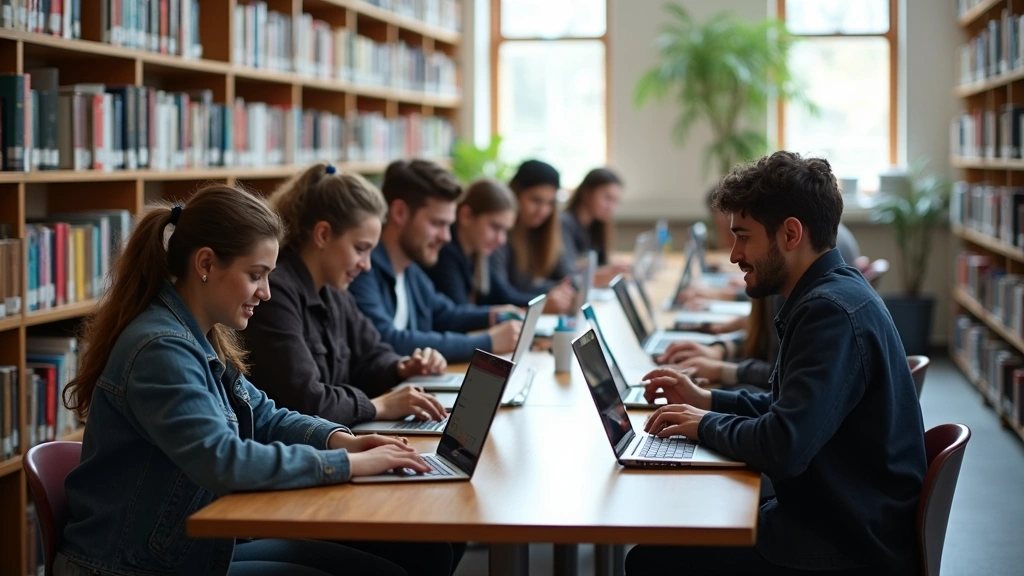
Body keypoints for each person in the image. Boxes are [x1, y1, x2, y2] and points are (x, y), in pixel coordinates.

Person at [55, 185, 443, 576]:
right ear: (206, 264)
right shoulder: (161, 349)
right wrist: (345, 464)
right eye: (255, 275)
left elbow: (265, 414)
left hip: (183, 551)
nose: (267, 292)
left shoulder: (200, 334)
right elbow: (224, 461)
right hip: (131, 566)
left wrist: (343, 440)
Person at [632, 151, 926, 575]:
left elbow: (782, 445)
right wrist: (708, 399)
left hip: (844, 544)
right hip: (839, 516)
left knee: (651, 559)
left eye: (744, 236)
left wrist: (703, 423)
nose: (734, 255)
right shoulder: (831, 293)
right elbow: (785, 407)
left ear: (790, 234)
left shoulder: (829, 313)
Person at [241, 163, 448, 430]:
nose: (367, 265)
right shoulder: (276, 293)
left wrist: (403, 367)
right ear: (323, 234)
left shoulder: (334, 291)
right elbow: (307, 401)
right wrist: (379, 406)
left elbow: (371, 355)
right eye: (360, 249)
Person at [349, 159, 522, 363]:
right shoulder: (361, 270)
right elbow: (385, 340)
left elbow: (444, 313)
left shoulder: (409, 270)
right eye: (437, 223)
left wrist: (493, 315)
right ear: (399, 213)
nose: (446, 237)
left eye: (448, 225)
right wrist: (488, 342)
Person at [425, 177, 574, 313]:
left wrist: (548, 297)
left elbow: (504, 295)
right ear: (466, 216)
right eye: (495, 227)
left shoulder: (477, 254)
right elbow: (458, 316)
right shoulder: (446, 253)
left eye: (505, 231)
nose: (501, 239)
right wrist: (542, 304)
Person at [490, 159, 575, 297]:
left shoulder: (545, 231)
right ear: (514, 195)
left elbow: (566, 276)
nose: (543, 211)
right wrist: (547, 296)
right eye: (535, 200)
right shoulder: (499, 235)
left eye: (549, 203)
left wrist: (560, 289)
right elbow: (501, 294)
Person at [560, 168, 632, 286]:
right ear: (587, 193)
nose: (611, 207)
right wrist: (604, 273)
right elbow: (569, 274)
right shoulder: (564, 224)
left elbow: (599, 264)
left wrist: (611, 268)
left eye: (615, 201)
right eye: (607, 198)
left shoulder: (597, 225)